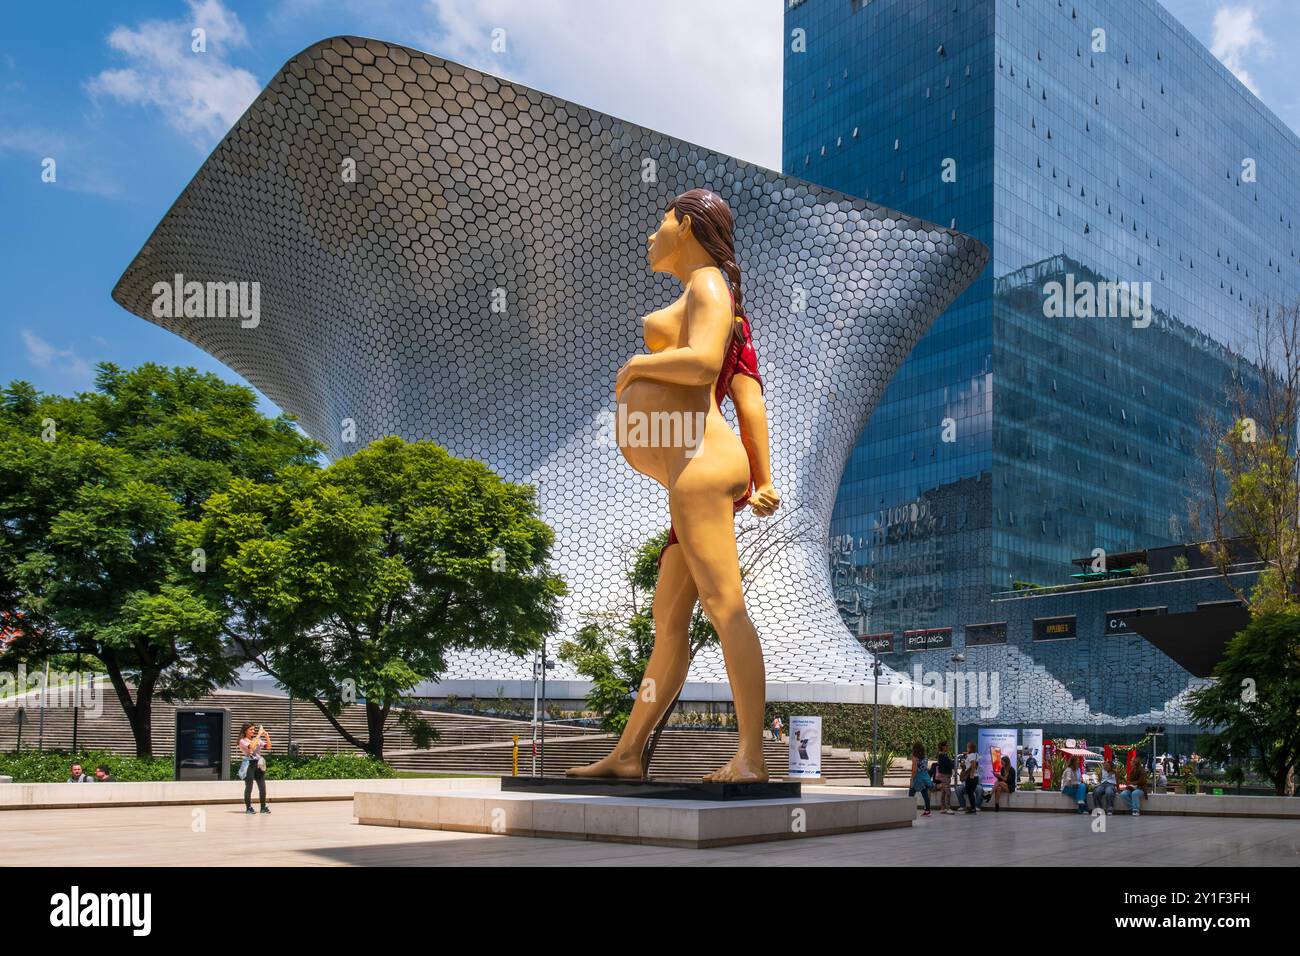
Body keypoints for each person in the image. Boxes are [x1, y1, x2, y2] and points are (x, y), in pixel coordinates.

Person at [569, 189, 781, 783]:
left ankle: (750, 757)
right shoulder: (712, 296)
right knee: (668, 622)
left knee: (725, 604)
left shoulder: (709, 286)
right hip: (689, 472)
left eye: (660, 221)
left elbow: (703, 364)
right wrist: (761, 478)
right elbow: (750, 398)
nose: (651, 234)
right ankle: (629, 752)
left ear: (685, 224)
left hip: (701, 466)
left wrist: (637, 367)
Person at [238, 721, 272, 814]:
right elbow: (251, 747)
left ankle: (263, 807)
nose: (253, 731)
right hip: (249, 765)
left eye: (254, 729)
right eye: (251, 729)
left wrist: (266, 735)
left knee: (262, 787)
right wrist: (259, 735)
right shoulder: (242, 741)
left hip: (258, 765)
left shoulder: (257, 739)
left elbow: (268, 747)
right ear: (245, 731)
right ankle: (248, 808)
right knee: (249, 787)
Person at [909, 742, 932, 817]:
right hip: (925, 776)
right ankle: (928, 811)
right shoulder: (925, 756)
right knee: (925, 794)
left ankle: (909, 809)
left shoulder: (914, 757)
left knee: (911, 793)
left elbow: (914, 769)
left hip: (918, 777)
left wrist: (912, 778)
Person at [935, 740, 955, 814]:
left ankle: (943, 807)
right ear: (942, 747)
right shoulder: (942, 756)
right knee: (948, 791)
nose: (948, 747)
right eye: (946, 746)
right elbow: (949, 764)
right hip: (944, 775)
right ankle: (948, 808)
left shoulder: (944, 755)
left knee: (943, 791)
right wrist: (952, 762)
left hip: (946, 775)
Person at [961, 741, 981, 814]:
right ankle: (973, 808)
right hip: (975, 777)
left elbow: (973, 764)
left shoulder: (971, 756)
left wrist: (971, 774)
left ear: (970, 748)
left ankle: (973, 808)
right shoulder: (976, 755)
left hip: (971, 777)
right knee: (970, 792)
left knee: (970, 792)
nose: (966, 748)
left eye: (967, 747)